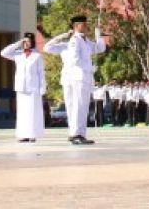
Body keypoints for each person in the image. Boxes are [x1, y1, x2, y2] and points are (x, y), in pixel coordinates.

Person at [44, 15, 106, 145]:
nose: (87, 26)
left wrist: (98, 34)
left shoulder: (86, 41)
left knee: (77, 106)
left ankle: (75, 133)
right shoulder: (73, 41)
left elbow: (100, 48)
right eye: (84, 24)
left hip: (79, 77)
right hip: (78, 77)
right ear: (77, 26)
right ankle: (77, 134)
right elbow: (73, 59)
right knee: (78, 106)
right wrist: (63, 36)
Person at [0, 32, 46, 142]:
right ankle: (23, 134)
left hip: (33, 87)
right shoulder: (18, 54)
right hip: (21, 87)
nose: (26, 43)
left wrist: (42, 87)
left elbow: (41, 73)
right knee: (22, 113)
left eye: (28, 41)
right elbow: (3, 53)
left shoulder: (37, 55)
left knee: (32, 112)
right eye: (25, 41)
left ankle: (32, 135)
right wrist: (19, 42)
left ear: (32, 42)